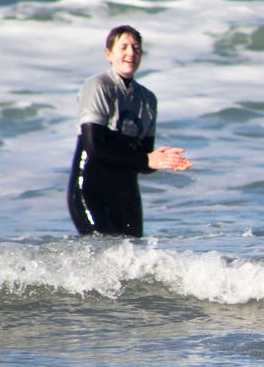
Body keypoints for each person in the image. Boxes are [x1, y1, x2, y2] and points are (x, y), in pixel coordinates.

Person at [66, 25, 192, 237]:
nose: (131, 53)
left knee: (132, 256)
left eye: (136, 48)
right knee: (104, 252)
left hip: (126, 193)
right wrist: (146, 160)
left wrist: (160, 160)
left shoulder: (147, 99)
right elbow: (94, 149)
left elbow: (141, 160)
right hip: (92, 189)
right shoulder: (98, 86)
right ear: (109, 54)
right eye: (123, 47)